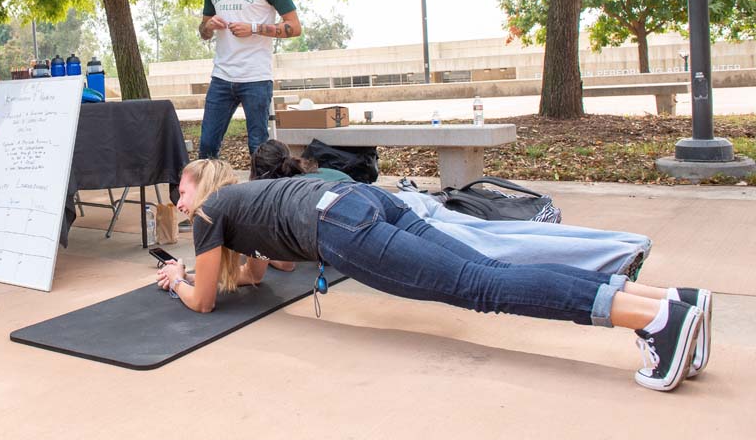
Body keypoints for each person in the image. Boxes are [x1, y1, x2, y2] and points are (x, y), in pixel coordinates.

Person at [156, 159, 713, 392]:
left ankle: (655, 319)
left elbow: (204, 302)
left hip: (342, 228)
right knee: (487, 270)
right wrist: (234, 262)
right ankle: (674, 302)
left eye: (180, 188)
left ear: (199, 187)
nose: (176, 199)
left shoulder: (210, 214)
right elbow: (264, 268)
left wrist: (178, 277)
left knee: (483, 286)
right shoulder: (239, 204)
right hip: (364, 201)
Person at [249, 140, 650, 277]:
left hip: (391, 221)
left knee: (491, 252)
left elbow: (284, 263)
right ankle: (621, 242)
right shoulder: (321, 174)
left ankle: (616, 254)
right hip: (410, 202)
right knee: (500, 235)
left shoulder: (280, 196)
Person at [198, 0, 301, 159]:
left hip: (255, 77)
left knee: (258, 148)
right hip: (221, 77)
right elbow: (203, 31)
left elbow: (294, 27)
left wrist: (253, 28)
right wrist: (209, 26)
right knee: (207, 145)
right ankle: (211, 195)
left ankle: (261, 195)